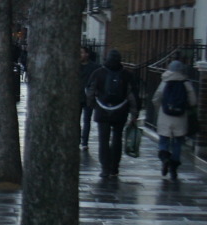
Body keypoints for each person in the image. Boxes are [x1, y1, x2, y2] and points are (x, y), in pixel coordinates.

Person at [86, 49, 139, 178]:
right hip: (120, 111)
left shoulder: (98, 73)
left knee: (103, 140)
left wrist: (92, 105)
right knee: (117, 139)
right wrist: (134, 114)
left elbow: (90, 91)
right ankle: (114, 167)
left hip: (102, 110)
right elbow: (132, 96)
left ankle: (105, 168)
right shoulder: (127, 74)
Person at [152, 59, 198, 180]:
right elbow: (193, 101)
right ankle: (173, 168)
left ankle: (165, 158)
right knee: (177, 143)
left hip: (165, 116)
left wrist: (159, 110)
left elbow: (155, 99)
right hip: (180, 117)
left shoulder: (165, 81)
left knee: (163, 141)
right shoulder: (186, 83)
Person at [77, 46, 101, 148]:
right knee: (76, 120)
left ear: (87, 54)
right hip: (77, 96)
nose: (80, 55)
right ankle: (77, 140)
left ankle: (85, 142)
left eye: (82, 53)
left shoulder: (95, 67)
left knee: (87, 120)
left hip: (88, 97)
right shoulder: (75, 66)